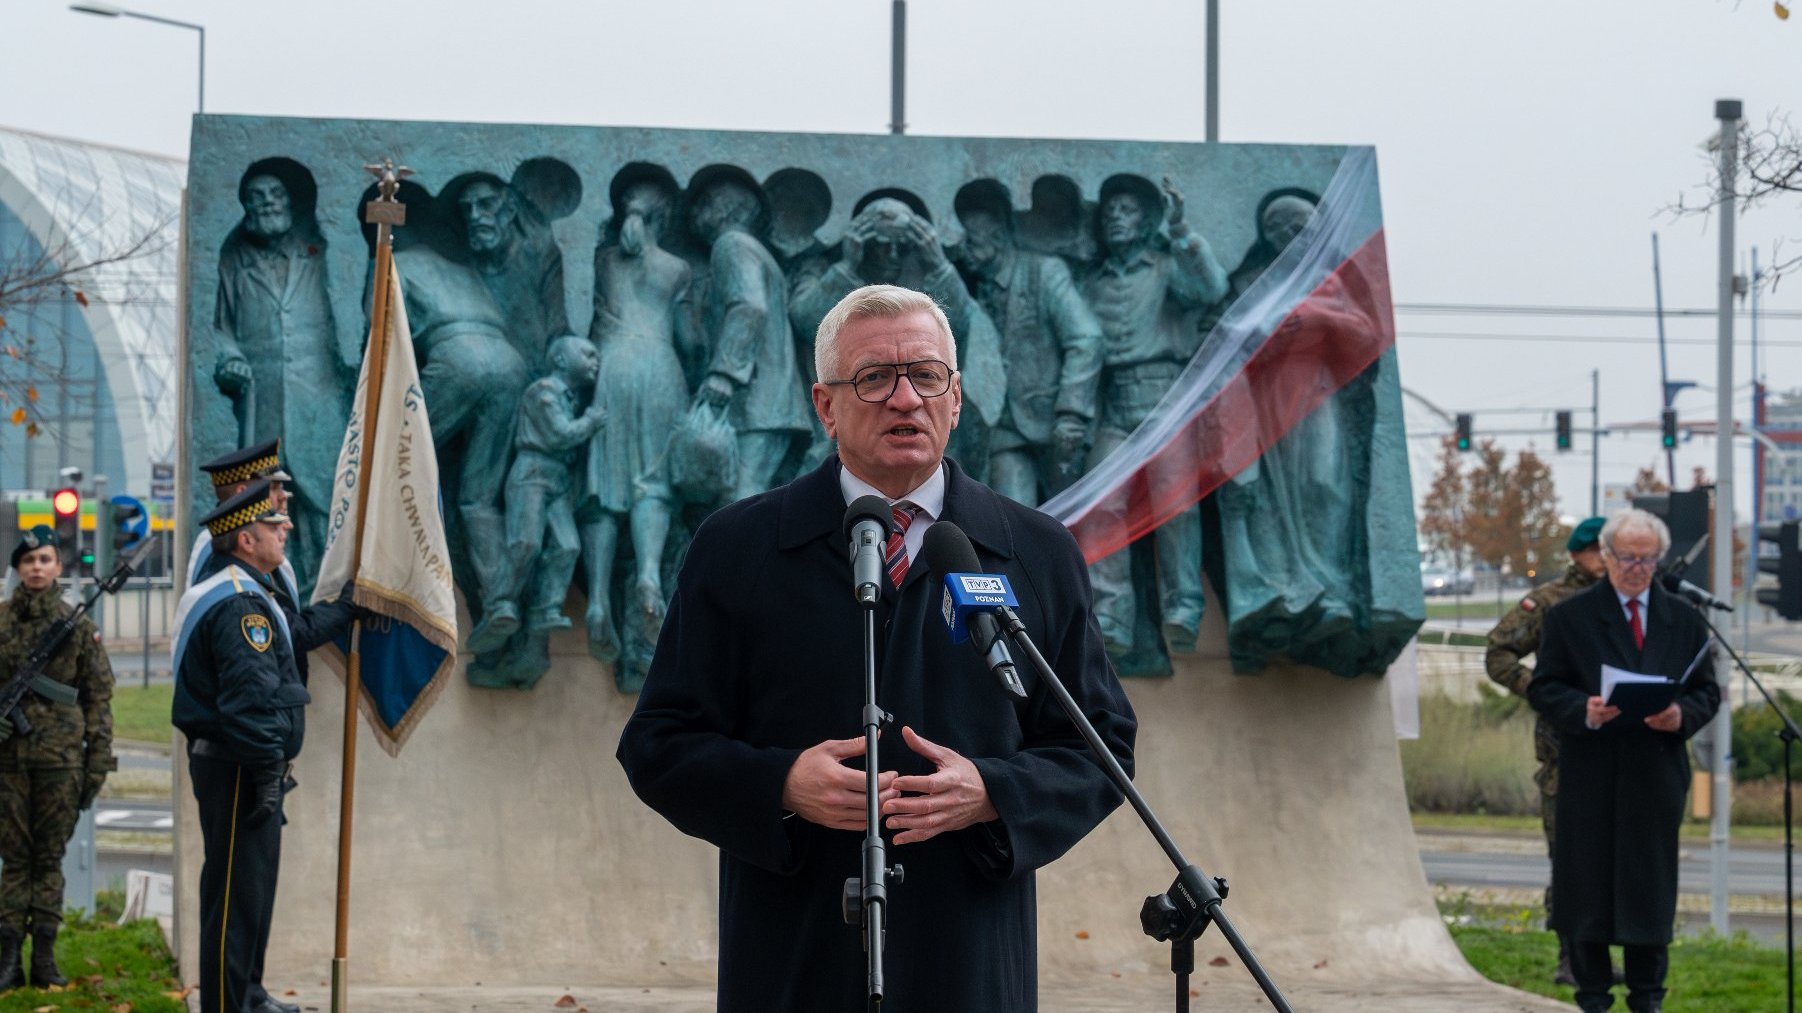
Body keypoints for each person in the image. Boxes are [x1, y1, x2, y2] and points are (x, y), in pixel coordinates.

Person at [617, 284, 1136, 1011]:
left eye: (926, 376)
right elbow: (659, 744)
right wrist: (782, 784)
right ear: (825, 405)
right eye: (873, 378)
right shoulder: (737, 548)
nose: (904, 399)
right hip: (796, 959)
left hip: (969, 961)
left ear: (955, 398)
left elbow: (1099, 747)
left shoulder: (1033, 551)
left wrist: (993, 792)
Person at [1527, 508, 1721, 1013]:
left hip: (1654, 774)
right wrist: (1582, 710)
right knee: (1587, 886)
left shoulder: (1683, 617)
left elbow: (1708, 691)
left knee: (1647, 889)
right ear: (1607, 557)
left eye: (1646, 558)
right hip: (1591, 774)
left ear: (1658, 561)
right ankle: (1592, 994)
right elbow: (1545, 686)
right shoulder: (1570, 616)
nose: (1636, 567)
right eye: (1626, 557)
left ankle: (1648, 996)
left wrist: (1681, 715)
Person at [174, 480, 309, 1013]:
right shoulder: (240, 606)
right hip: (238, 771)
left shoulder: (247, 591)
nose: (287, 529)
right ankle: (229, 1007)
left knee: (249, 895)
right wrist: (267, 771)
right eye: (274, 527)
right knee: (234, 898)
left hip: (244, 768)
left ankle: (245, 998)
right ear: (246, 541)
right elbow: (249, 702)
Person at [1079, 174, 1227, 655]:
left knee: (1176, 504)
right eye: (1108, 213)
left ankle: (1183, 606)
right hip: (1114, 403)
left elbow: (1211, 287)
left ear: (1146, 220)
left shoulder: (1167, 266)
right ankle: (1112, 616)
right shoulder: (1091, 283)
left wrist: (1182, 230)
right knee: (1103, 504)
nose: (1115, 219)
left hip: (1166, 398)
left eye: (1126, 210)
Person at [214, 158, 353, 597]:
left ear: (290, 201)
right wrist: (230, 358)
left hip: (318, 391)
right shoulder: (234, 258)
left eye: (275, 195)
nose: (267, 204)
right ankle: (274, 583)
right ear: (244, 205)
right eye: (256, 197)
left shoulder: (318, 249)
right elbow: (217, 328)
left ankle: (326, 583)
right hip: (262, 394)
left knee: (318, 492)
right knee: (267, 494)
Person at [581, 163, 696, 666]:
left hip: (614, 365)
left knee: (604, 490)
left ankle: (600, 598)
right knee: (653, 482)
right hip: (660, 368)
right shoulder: (677, 269)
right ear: (664, 218)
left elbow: (592, 325)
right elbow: (689, 339)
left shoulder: (605, 260)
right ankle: (648, 572)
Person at [1484, 515, 1607, 986]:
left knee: (1609, 861)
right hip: (1564, 752)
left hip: (1617, 748)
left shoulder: (1624, 602)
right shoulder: (1551, 602)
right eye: (1596, 550)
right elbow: (1499, 652)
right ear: (1577, 554)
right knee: (1570, 859)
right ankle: (1570, 957)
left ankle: (1598, 954)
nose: (1604, 558)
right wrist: (1542, 690)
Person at [0, 526, 114, 990]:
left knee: (48, 861)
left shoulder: (79, 628)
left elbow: (98, 702)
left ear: (58, 567)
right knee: (14, 861)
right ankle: (8, 960)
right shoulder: (1, 624)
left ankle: (44, 958)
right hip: (7, 762)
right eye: (28, 561)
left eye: (45, 559)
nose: (37, 568)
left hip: (61, 764)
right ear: (17, 569)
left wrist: (97, 765)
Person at [952, 178, 1102, 504]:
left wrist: (1071, 413)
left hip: (1056, 424)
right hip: (1004, 427)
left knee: (1070, 528)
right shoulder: (973, 286)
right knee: (1012, 519)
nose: (964, 249)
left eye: (972, 240)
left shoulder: (1046, 272)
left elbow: (1086, 339)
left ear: (999, 238)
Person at [685, 164, 813, 499]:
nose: (695, 215)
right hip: (774, 402)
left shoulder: (731, 244)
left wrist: (724, 373)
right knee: (751, 496)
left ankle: (738, 554)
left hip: (755, 400)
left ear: (728, 209)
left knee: (740, 496)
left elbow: (749, 305)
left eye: (704, 204)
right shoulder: (759, 252)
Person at [190, 440, 358, 693]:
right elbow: (287, 631)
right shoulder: (219, 554)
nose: (284, 496)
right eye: (274, 487)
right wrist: (347, 606)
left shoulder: (251, 547)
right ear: (242, 493)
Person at [478, 335, 605, 650]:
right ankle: (499, 603)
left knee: (568, 546)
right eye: (587, 354)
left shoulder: (571, 398)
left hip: (557, 480)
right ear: (561, 360)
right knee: (525, 543)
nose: (595, 361)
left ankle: (545, 608)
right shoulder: (543, 392)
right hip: (532, 475)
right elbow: (560, 434)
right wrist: (590, 422)